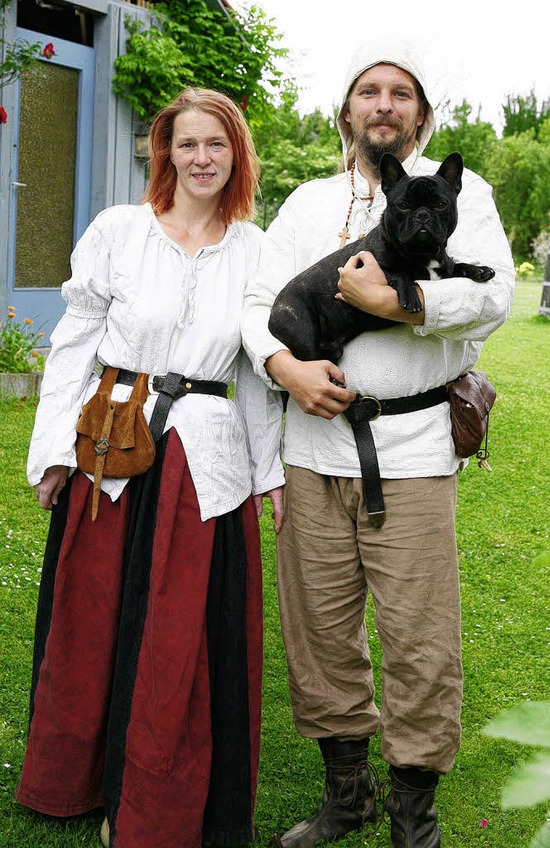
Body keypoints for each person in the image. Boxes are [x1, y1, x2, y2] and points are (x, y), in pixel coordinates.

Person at [241, 40, 515, 848]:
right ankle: (347, 795)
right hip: (315, 449)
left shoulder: (468, 196)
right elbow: (258, 303)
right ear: (349, 114)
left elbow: (493, 296)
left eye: (401, 92)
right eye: (370, 91)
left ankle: (414, 814)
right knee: (320, 632)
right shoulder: (307, 203)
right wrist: (284, 366)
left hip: (414, 452)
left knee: (420, 638)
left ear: (421, 114)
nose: (385, 104)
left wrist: (399, 301)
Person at [16, 88, 285, 848]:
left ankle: (150, 805)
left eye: (217, 145)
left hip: (204, 457)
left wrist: (270, 479)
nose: (201, 159)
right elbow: (73, 346)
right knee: (96, 619)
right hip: (112, 441)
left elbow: (259, 378)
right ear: (163, 150)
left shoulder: (256, 249)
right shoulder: (119, 232)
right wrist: (54, 454)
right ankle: (76, 781)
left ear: (237, 154)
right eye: (187, 144)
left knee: (179, 640)